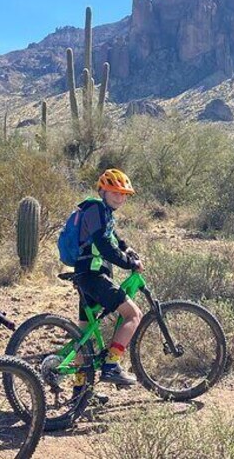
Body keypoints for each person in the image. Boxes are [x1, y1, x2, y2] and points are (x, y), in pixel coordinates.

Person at [72, 168, 144, 392]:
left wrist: (128, 249)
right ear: (102, 190)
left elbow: (113, 238)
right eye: (114, 192)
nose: (119, 197)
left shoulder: (103, 213)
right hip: (93, 277)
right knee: (133, 314)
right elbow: (104, 246)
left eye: (123, 194)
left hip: (87, 276)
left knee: (84, 335)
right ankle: (112, 365)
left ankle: (80, 391)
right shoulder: (95, 209)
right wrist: (129, 263)